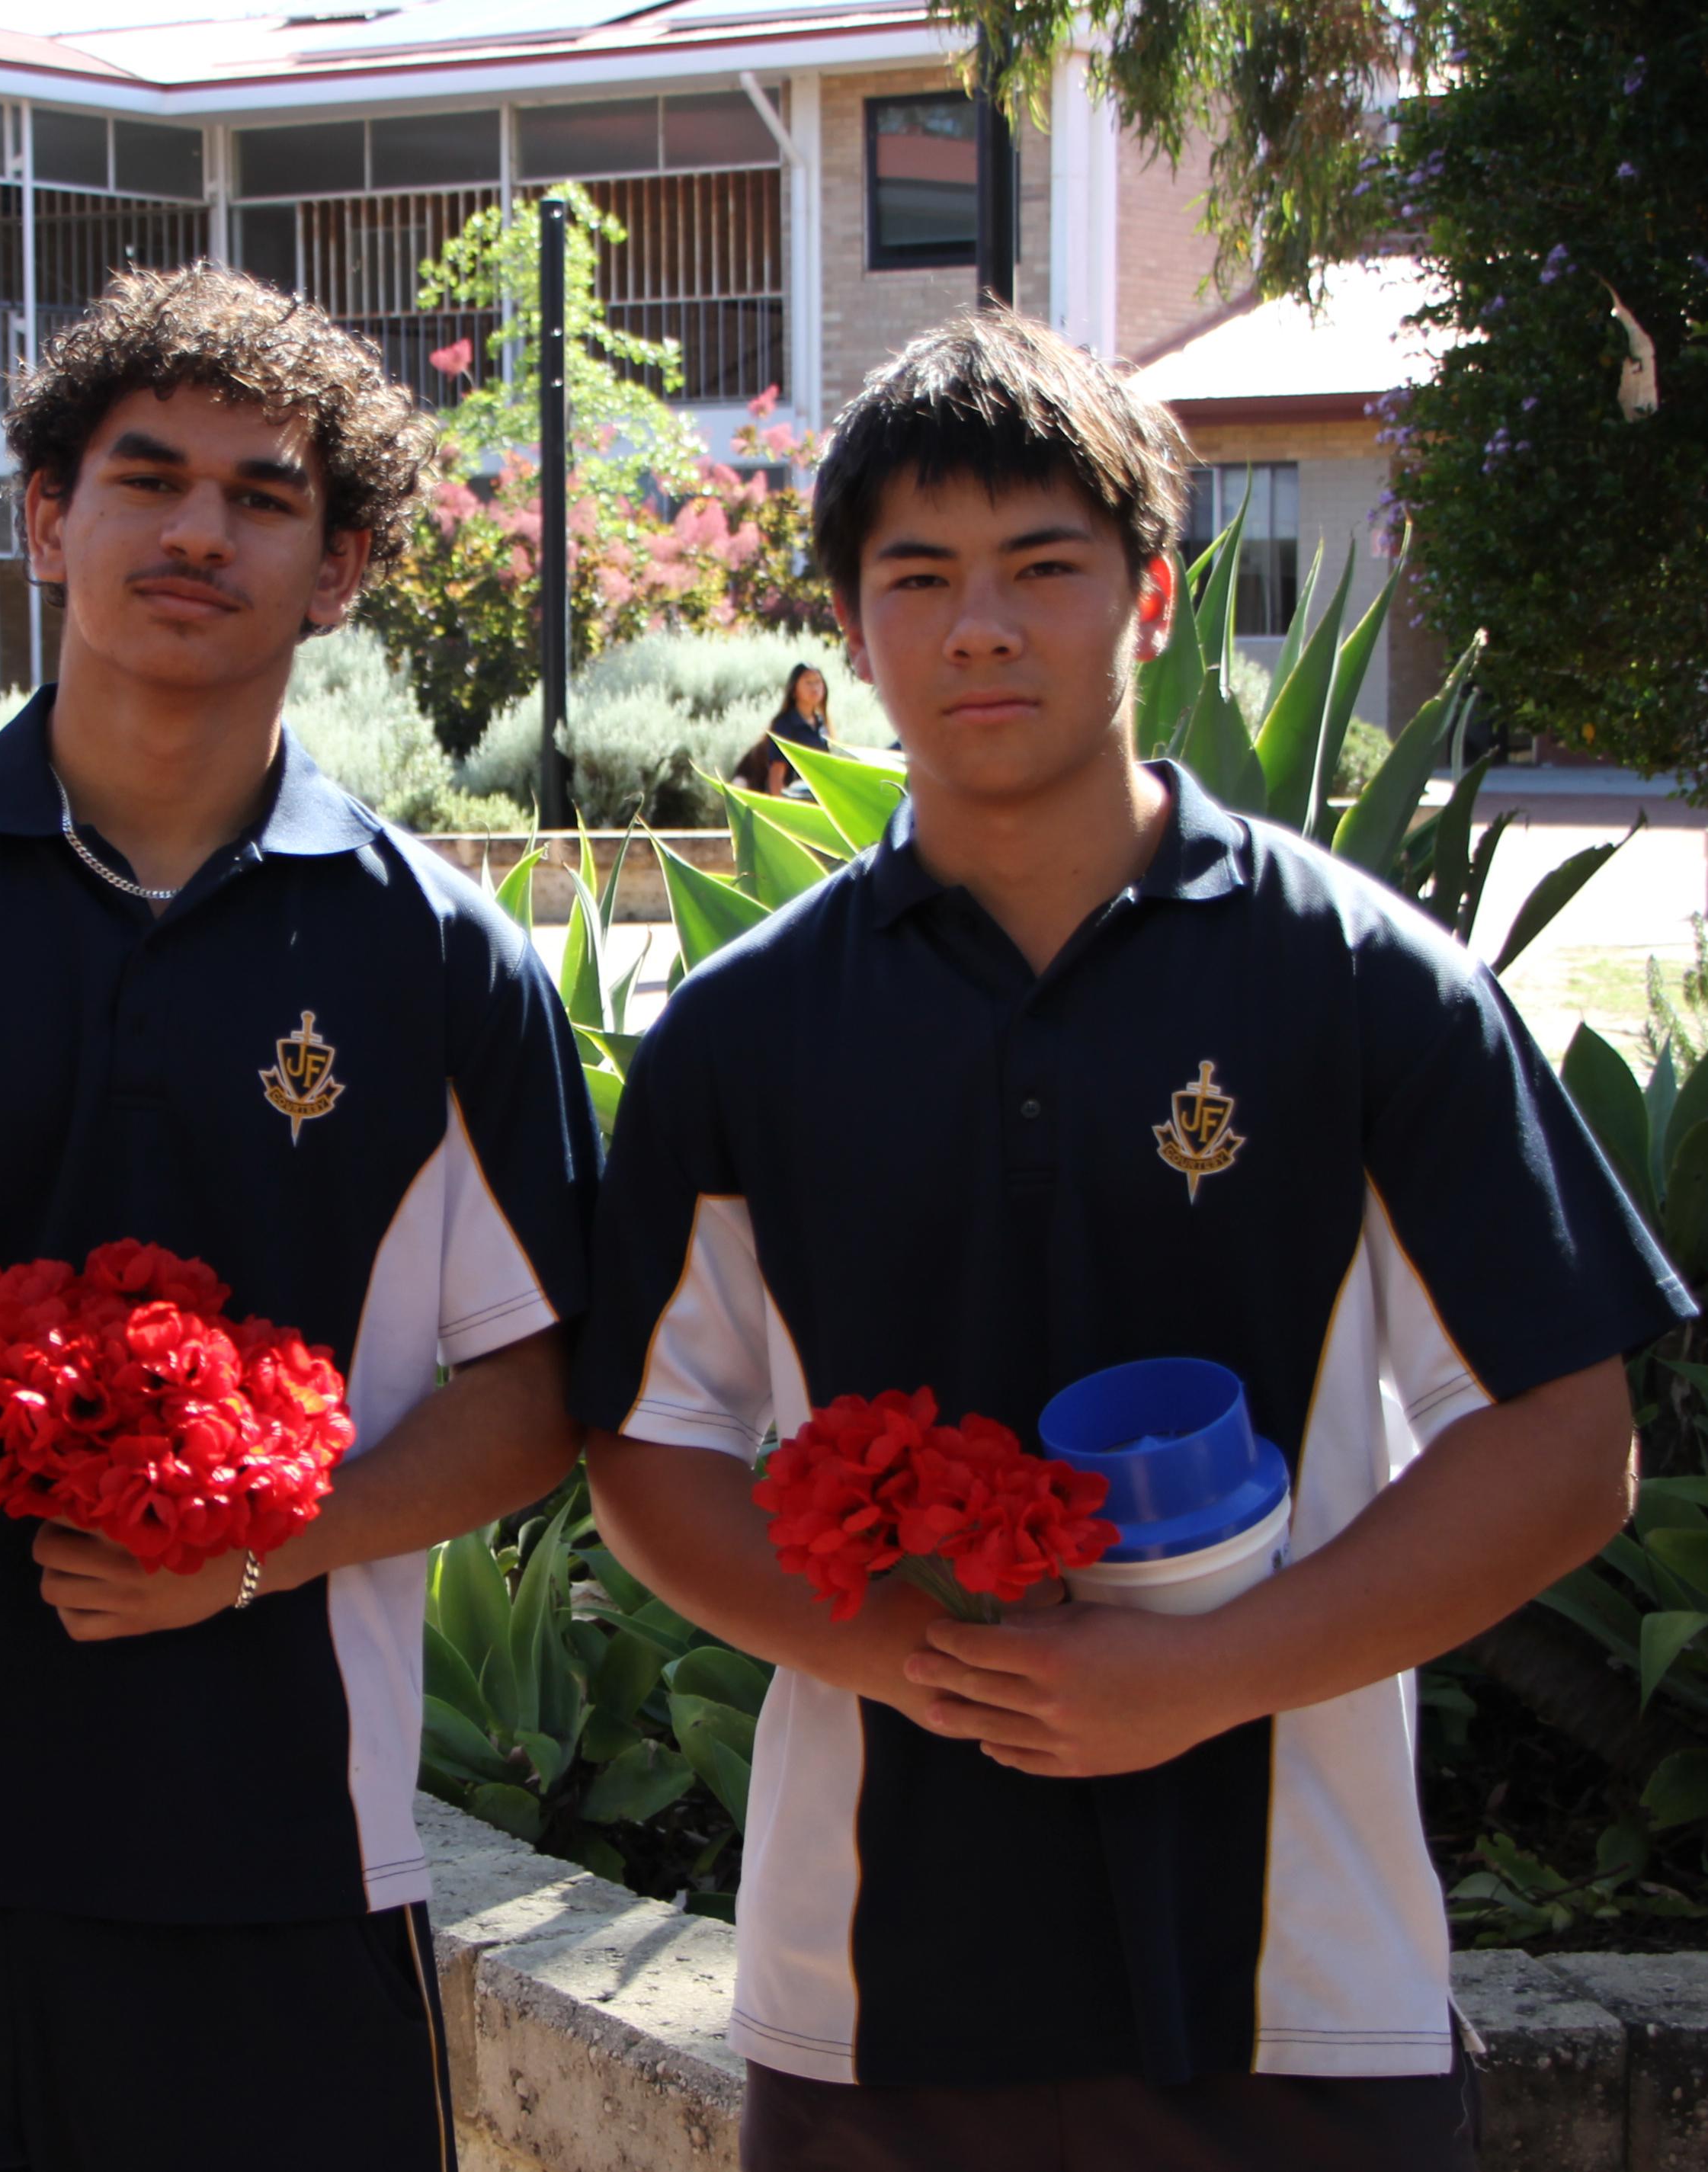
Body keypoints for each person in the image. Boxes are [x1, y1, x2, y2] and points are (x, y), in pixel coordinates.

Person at [575, 310, 1690, 2172]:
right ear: (846, 626)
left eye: (1041, 567)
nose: (977, 628)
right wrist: (904, 1655)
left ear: (1150, 597)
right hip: (867, 2008)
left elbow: (1563, 1448)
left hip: (1302, 1998)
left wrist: (1208, 1670)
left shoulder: (1365, 989)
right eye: (916, 578)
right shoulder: (742, 1033)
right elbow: (643, 1446)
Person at [0, 262, 600, 2172]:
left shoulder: (438, 964)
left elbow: (539, 1394)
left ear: (338, 568)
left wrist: (253, 1551)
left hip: (291, 1887)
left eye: (263, 496)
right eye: (145, 476)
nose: (195, 531)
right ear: (44, 519)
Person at [730, 661, 831, 796]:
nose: (815, 688)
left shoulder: (821, 724)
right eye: (808, 682)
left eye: (818, 682)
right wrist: (781, 805)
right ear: (794, 689)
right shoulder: (784, 725)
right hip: (792, 798)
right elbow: (776, 775)